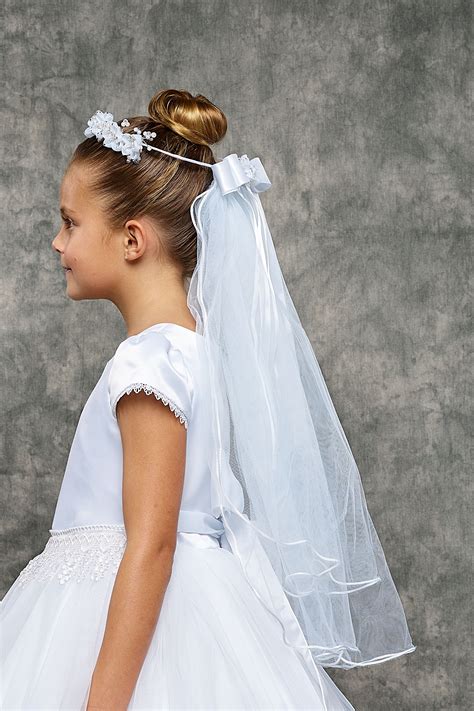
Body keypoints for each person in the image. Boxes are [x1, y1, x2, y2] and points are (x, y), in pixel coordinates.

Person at [0, 89, 415, 710]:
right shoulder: (196, 352)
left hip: (138, 611)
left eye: (70, 222)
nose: (58, 243)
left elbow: (153, 542)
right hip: (197, 606)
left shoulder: (150, 362)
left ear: (133, 239)